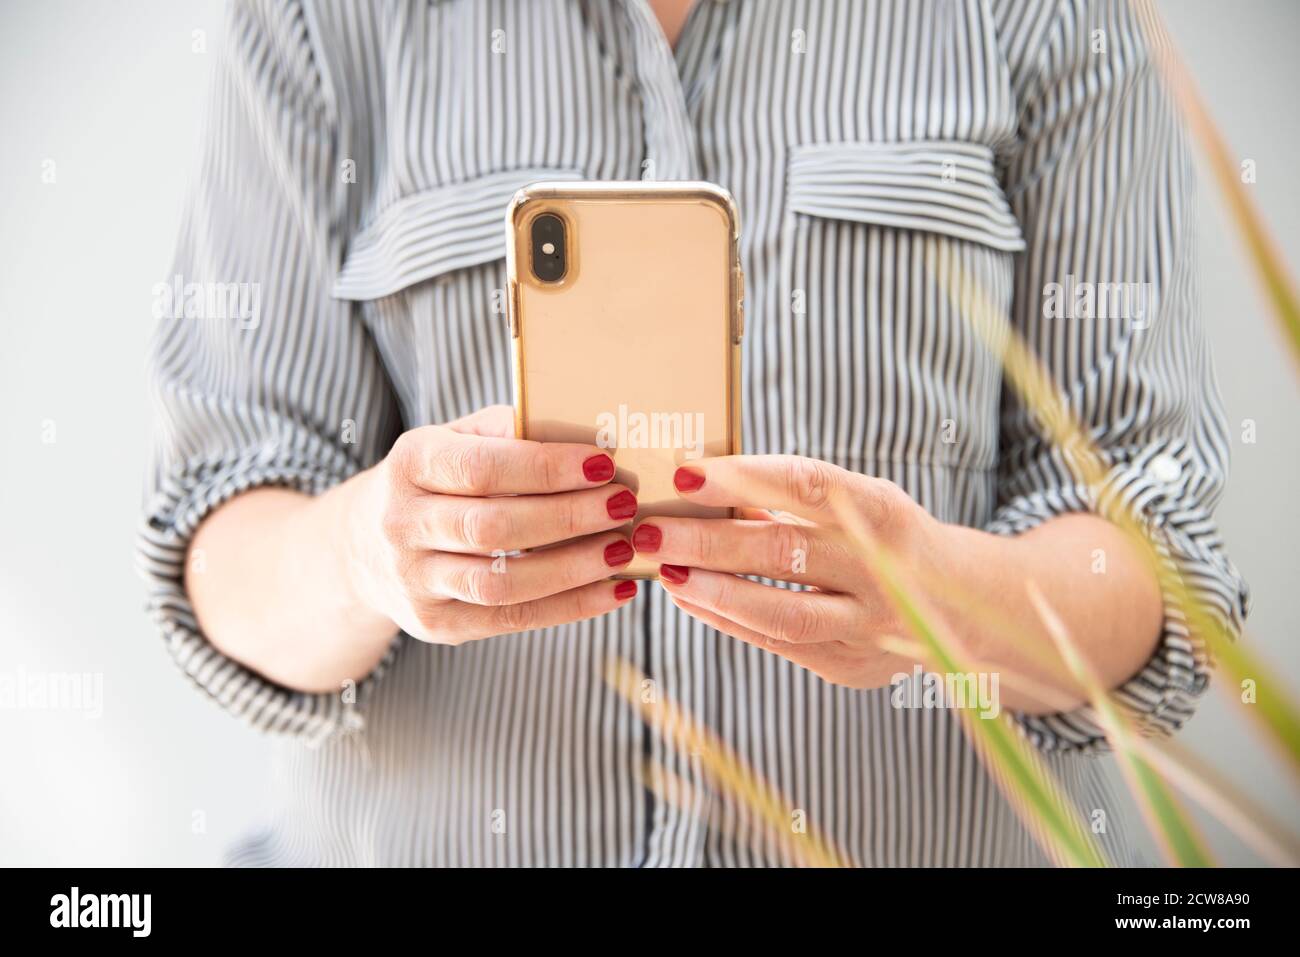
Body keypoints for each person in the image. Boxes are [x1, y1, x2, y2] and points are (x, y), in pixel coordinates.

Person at [140, 0, 1248, 866]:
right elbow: (220, 533)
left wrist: (938, 598)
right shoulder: (318, 18)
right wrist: (363, 554)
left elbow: (1154, 558)